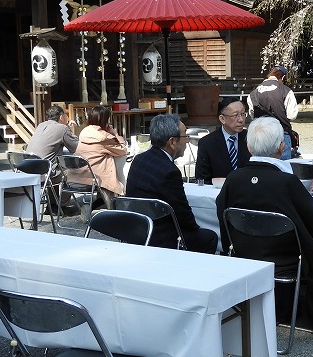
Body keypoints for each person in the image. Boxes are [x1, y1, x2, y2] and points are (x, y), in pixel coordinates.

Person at [216, 117, 313, 330]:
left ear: (247, 146)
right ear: (281, 147)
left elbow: (222, 214)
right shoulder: (287, 182)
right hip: (285, 258)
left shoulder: (234, 178)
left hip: (244, 253)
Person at [126, 114, 218, 254]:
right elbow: (183, 215)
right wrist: (197, 231)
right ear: (172, 142)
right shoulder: (169, 171)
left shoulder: (139, 159)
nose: (187, 141)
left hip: (137, 228)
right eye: (185, 136)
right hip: (161, 237)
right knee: (209, 237)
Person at [72, 105, 127, 202]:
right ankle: (114, 205)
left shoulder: (84, 132)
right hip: (93, 179)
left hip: (75, 177)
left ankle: (98, 202)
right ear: (106, 120)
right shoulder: (104, 137)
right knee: (111, 170)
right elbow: (123, 150)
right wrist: (116, 134)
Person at [194, 97, 251, 183]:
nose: (241, 120)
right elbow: (202, 178)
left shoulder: (251, 138)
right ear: (222, 119)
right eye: (235, 115)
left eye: (243, 114)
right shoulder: (207, 143)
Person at [248, 66, 299, 159]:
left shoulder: (253, 94)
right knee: (282, 169)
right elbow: (292, 115)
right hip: (282, 134)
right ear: (283, 77)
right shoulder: (286, 91)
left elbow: (252, 115)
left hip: (260, 136)